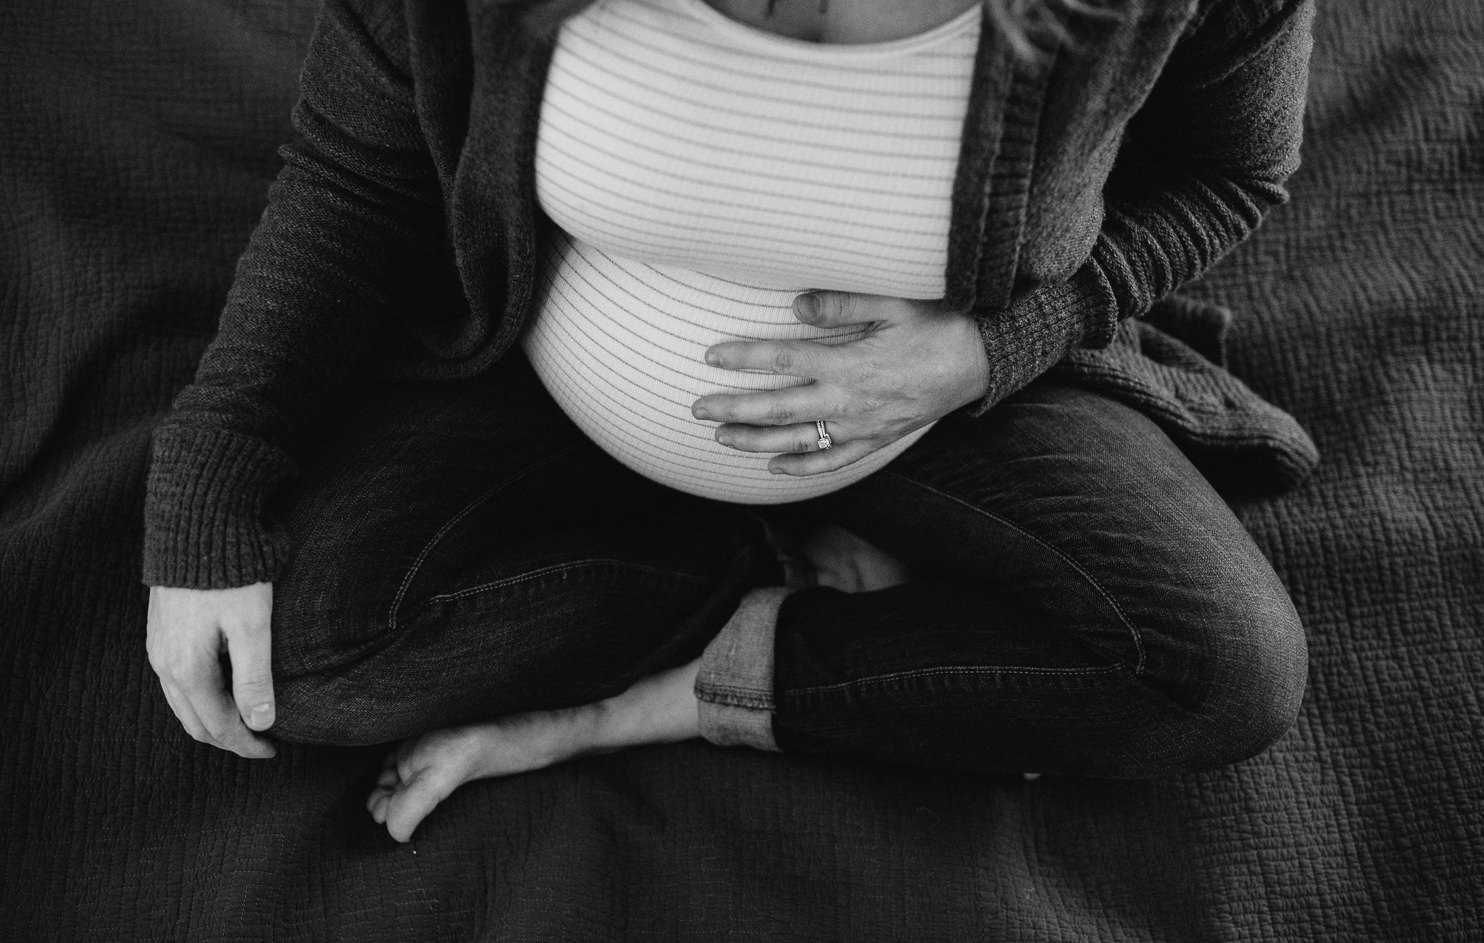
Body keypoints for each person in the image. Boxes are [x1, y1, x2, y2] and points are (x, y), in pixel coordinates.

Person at [143, 0, 1316, 843]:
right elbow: (357, 174)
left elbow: (1226, 174)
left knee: (1222, 671)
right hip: (541, 386)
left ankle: (667, 692)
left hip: (948, 406)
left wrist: (983, 354)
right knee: (298, 663)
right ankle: (791, 572)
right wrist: (210, 472)